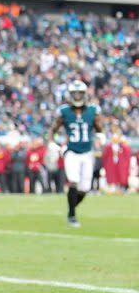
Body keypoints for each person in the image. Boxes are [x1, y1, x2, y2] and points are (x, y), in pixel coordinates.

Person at [48, 80, 103, 228]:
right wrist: (52, 142)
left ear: (85, 94)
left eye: (80, 93)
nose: (77, 96)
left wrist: (100, 136)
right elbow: (53, 129)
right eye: (75, 94)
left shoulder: (93, 110)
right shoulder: (64, 111)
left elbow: (99, 128)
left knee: (85, 188)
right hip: (71, 151)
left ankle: (71, 208)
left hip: (87, 152)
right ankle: (72, 215)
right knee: (73, 181)